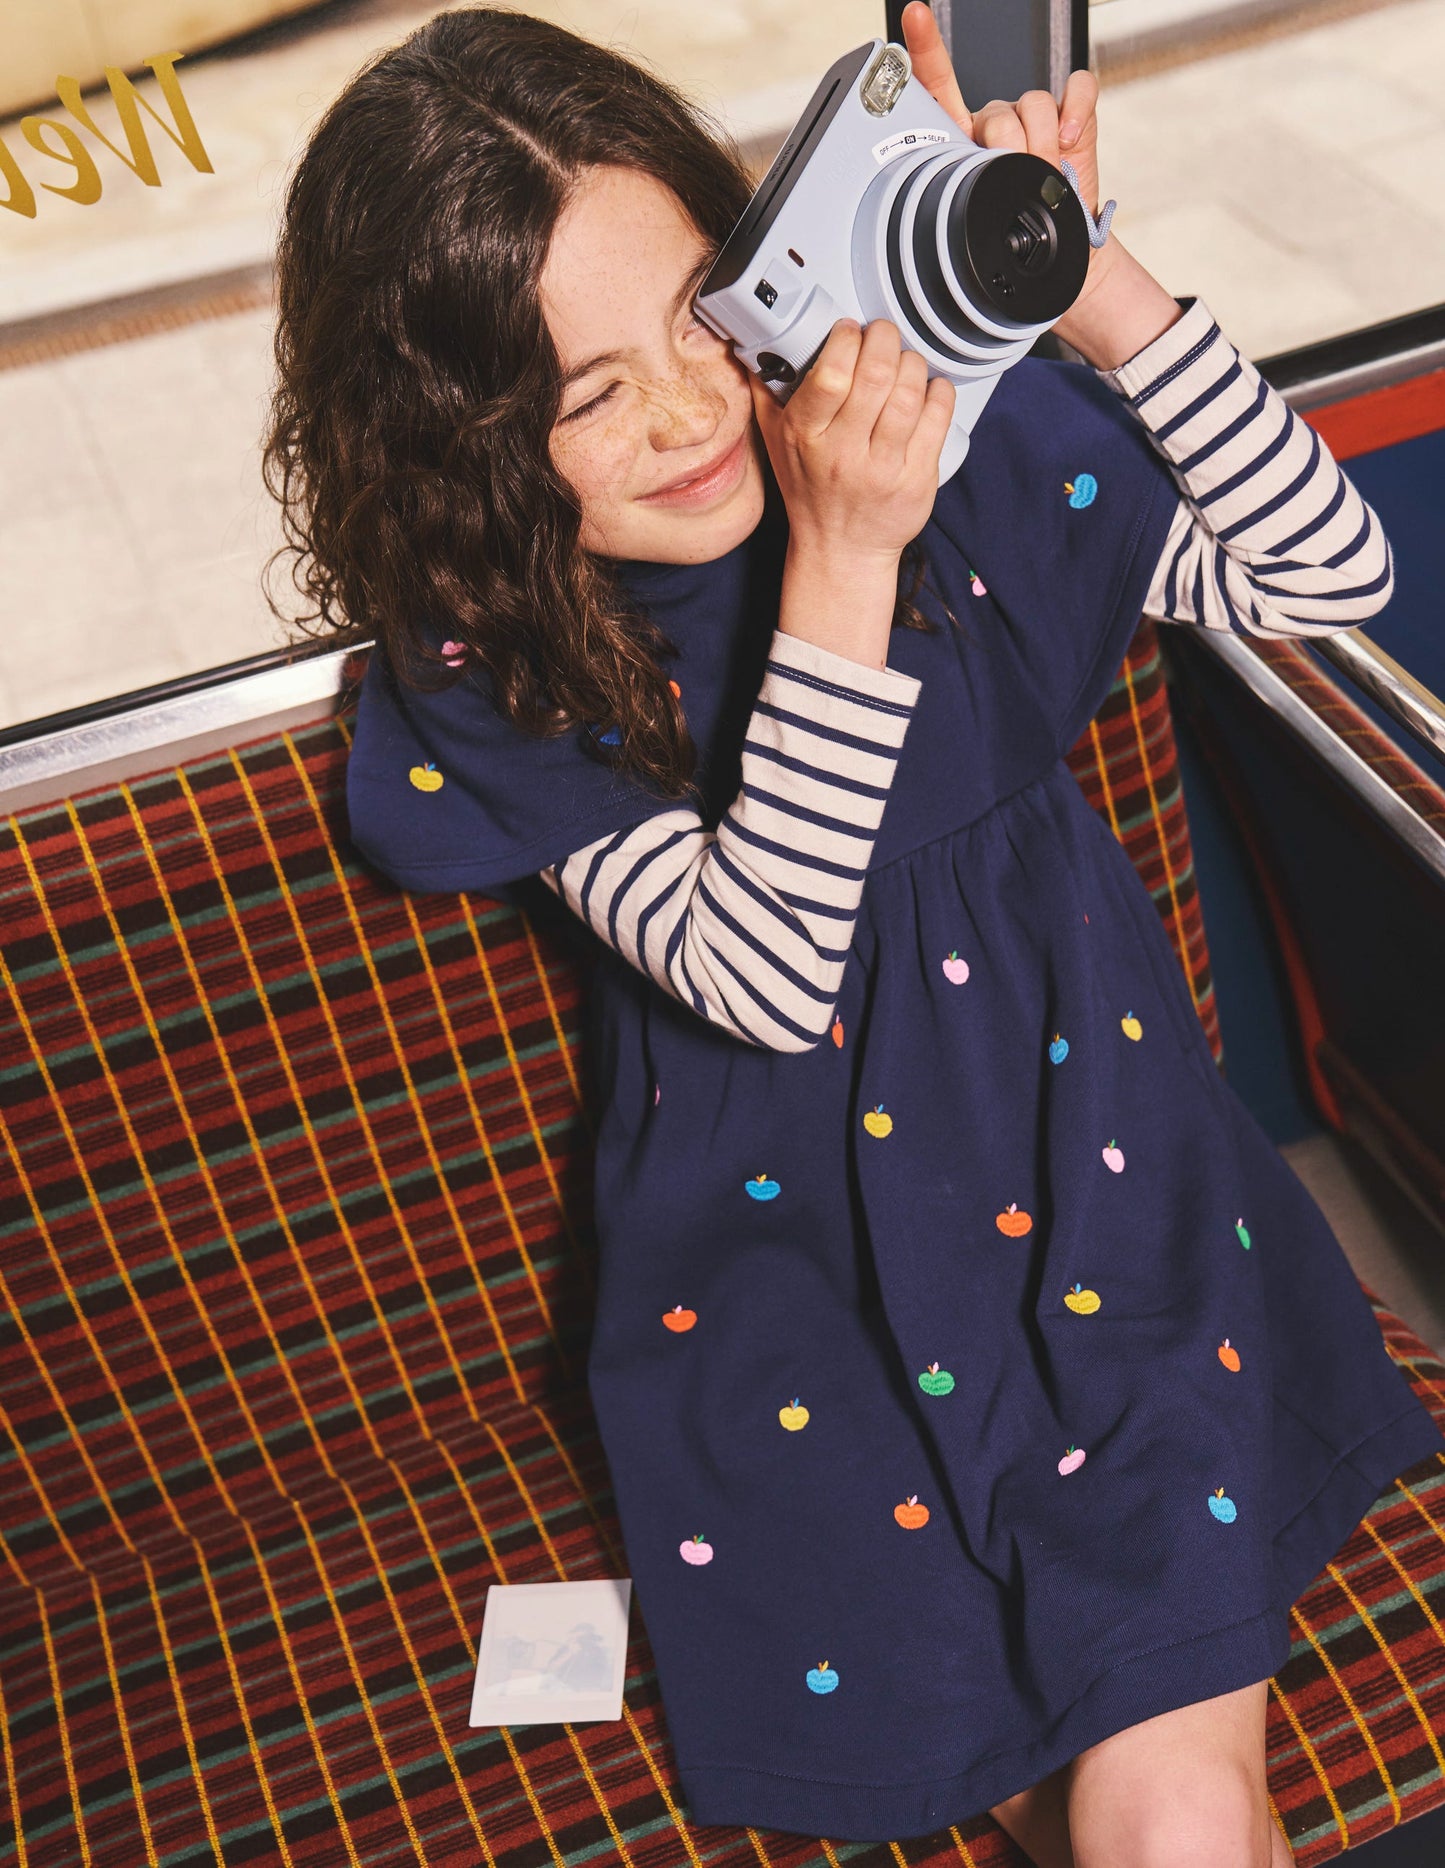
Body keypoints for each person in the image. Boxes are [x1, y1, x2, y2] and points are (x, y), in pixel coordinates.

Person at [263, 5, 1445, 1862]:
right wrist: (839, 558)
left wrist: (1085, 278)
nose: (680, 410)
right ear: (461, 451)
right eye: (582, 395)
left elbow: (1330, 573)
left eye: (696, 319)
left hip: (1110, 1198)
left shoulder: (939, 467)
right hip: (794, 1296)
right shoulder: (508, 664)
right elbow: (766, 964)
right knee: (1025, 1721)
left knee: (1173, 1778)